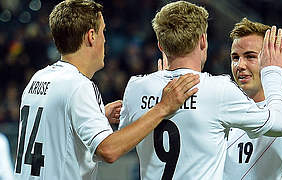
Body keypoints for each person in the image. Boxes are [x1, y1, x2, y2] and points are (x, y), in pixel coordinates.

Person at [13, 0, 200, 179]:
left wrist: (99, 115)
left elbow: (55, 133)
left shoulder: (39, 78)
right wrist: (163, 107)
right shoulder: (79, 86)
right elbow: (108, 150)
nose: (105, 39)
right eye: (103, 32)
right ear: (91, 36)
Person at [119, 1, 282, 179]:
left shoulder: (135, 88)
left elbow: (123, 142)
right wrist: (273, 70)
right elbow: (280, 124)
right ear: (203, 40)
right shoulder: (219, 90)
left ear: (161, 46)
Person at [223, 18, 282, 180]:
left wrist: (272, 72)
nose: (240, 65)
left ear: (271, 58)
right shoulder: (225, 108)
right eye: (235, 57)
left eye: (250, 56)